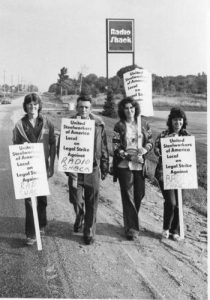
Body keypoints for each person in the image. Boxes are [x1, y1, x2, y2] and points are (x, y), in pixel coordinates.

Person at [57, 94, 109, 245]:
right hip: (75, 169)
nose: (83, 110)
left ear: (90, 108)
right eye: (81, 107)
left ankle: (89, 231)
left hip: (92, 168)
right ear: (77, 107)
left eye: (86, 107)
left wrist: (105, 165)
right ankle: (80, 215)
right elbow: (63, 147)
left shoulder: (98, 124)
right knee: (76, 198)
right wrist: (67, 167)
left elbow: (104, 145)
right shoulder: (70, 123)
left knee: (92, 201)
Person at [13, 93, 56, 245]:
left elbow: (52, 145)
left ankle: (42, 225)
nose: (33, 106)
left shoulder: (47, 123)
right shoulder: (20, 125)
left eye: (35, 104)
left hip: (43, 166)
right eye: (30, 104)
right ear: (25, 106)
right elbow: (15, 146)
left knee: (42, 199)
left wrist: (51, 167)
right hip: (27, 168)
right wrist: (21, 147)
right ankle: (31, 233)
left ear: (39, 105)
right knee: (30, 201)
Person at [111, 97, 153, 240]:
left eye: (132, 108)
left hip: (140, 165)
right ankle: (132, 229)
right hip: (125, 164)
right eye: (126, 108)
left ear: (136, 108)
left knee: (139, 195)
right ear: (123, 110)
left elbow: (151, 142)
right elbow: (116, 147)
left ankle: (130, 221)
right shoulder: (119, 126)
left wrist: (145, 150)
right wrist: (129, 157)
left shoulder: (144, 124)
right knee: (128, 196)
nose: (129, 110)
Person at [154, 107, 191, 241]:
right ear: (171, 121)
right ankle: (166, 228)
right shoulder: (163, 135)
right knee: (171, 202)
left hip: (181, 174)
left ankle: (175, 230)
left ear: (183, 121)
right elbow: (156, 150)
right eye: (175, 120)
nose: (178, 123)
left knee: (179, 203)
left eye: (180, 120)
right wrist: (166, 143)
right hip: (165, 173)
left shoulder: (187, 136)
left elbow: (190, 156)